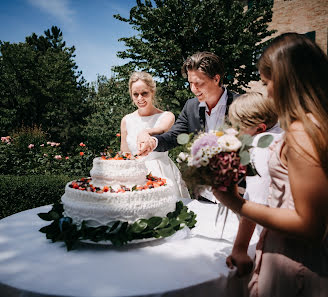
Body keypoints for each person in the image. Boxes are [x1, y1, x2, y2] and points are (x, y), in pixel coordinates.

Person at [213, 33, 328, 296]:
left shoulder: (303, 134)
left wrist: (236, 202)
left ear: (288, 82)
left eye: (268, 82)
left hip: (298, 268)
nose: (269, 92)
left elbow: (310, 225)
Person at [137, 51, 239, 202]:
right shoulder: (191, 106)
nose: (193, 88)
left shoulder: (241, 104)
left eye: (198, 83)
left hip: (239, 197)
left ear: (216, 79)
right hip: (205, 196)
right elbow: (173, 136)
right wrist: (153, 142)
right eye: (190, 83)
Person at [226, 91, 283, 277]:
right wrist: (240, 247)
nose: (234, 132)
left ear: (259, 129)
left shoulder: (262, 144)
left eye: (237, 127)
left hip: (278, 250)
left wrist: (227, 192)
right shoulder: (281, 135)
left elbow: (257, 206)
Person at [120, 71, 190, 199]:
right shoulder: (126, 120)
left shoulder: (167, 116)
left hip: (162, 172)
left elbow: (162, 129)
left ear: (152, 92)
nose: (140, 98)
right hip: (135, 175)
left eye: (144, 93)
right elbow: (124, 154)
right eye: (136, 94)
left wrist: (145, 132)